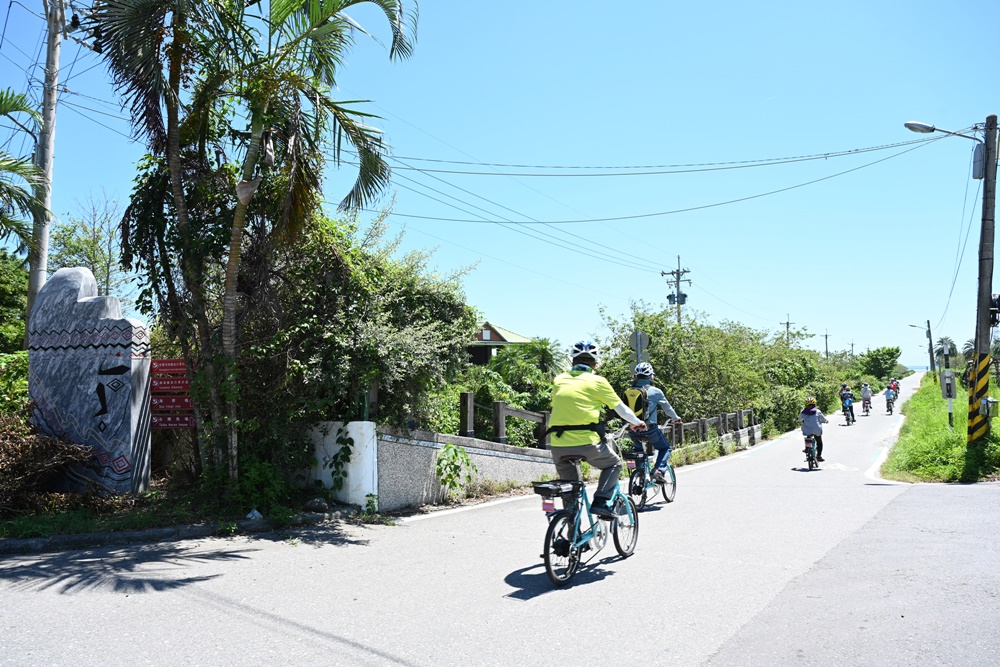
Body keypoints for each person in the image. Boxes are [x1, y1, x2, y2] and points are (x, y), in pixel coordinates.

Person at [547, 340, 645, 519]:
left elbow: (558, 406)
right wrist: (637, 422)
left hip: (557, 444)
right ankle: (600, 501)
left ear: (573, 361)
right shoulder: (598, 381)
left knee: (571, 489)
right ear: (595, 363)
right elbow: (620, 409)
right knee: (614, 464)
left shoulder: (559, 379)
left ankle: (570, 538)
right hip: (587, 443)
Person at [626, 362, 681, 482]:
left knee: (638, 451)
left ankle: (640, 476)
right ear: (651, 376)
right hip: (649, 429)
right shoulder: (655, 391)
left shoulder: (629, 391)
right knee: (665, 448)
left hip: (632, 429)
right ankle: (657, 470)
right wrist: (676, 418)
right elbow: (667, 408)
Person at [797, 396, 829, 461]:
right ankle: (819, 456)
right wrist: (826, 421)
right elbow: (823, 418)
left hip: (807, 429)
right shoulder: (818, 411)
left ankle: (807, 448)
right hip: (817, 430)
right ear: (814, 404)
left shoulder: (803, 412)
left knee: (808, 437)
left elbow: (799, 419)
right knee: (819, 442)